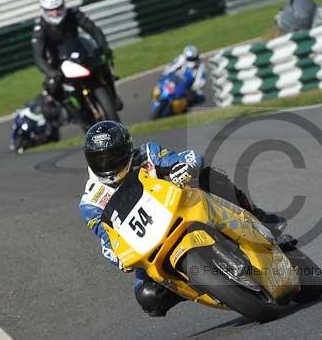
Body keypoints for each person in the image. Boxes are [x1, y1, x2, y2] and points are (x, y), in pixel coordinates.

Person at [78, 121, 287, 317]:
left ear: (126, 149)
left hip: (182, 209)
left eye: (113, 156)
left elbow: (188, 157)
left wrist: (185, 168)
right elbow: (108, 244)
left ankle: (259, 217)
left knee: (209, 177)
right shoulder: (91, 202)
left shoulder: (147, 154)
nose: (108, 164)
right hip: (147, 244)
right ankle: (202, 282)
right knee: (147, 297)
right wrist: (118, 258)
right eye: (100, 159)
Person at [31, 0, 119, 119]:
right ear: (44, 11)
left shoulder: (73, 14)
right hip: (59, 64)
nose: (55, 13)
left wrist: (103, 46)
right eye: (51, 10)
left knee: (103, 62)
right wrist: (51, 72)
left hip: (82, 55)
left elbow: (94, 30)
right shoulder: (40, 28)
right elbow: (38, 57)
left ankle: (113, 95)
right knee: (52, 86)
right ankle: (71, 112)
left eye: (58, 8)